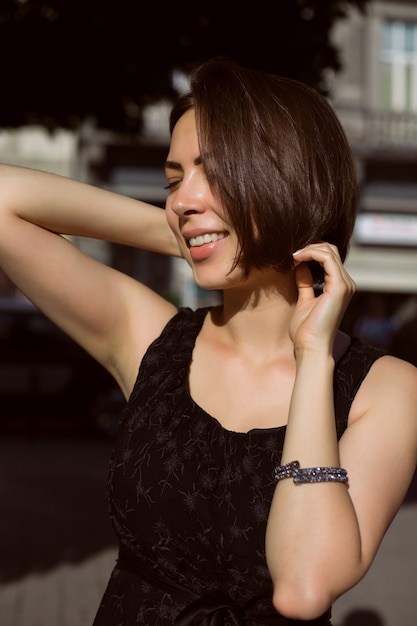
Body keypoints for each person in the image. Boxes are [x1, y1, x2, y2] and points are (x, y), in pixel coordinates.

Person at [0, 58, 416, 626]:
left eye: (213, 173)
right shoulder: (151, 338)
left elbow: (303, 587)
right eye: (174, 180)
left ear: (288, 180)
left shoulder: (387, 390)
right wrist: (197, 234)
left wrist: (314, 359)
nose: (181, 198)